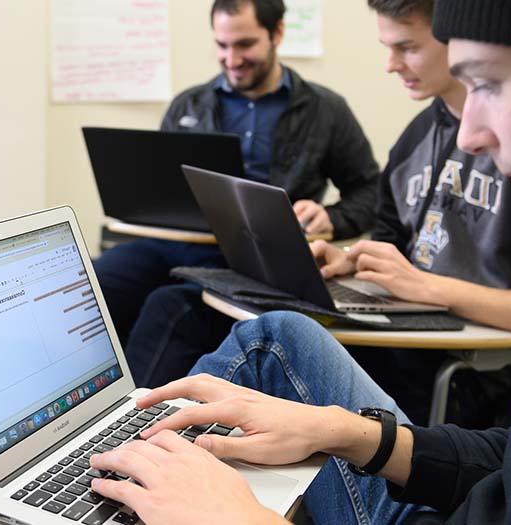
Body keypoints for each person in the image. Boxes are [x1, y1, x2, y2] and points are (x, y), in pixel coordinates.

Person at [87, 0, 511, 523]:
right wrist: (353, 433)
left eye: (487, 82)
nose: (469, 134)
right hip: (447, 487)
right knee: (272, 335)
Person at [123, 0, 511, 428]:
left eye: (406, 47)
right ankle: (128, 449)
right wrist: (353, 261)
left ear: (459, 39)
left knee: (262, 339)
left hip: (458, 372)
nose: (390, 64)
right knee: (180, 306)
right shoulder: (416, 139)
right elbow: (391, 240)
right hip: (397, 337)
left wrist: (430, 288)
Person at [93, 0, 381, 344]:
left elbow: (370, 192)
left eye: (244, 44)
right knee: (93, 287)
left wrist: (332, 217)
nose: (232, 59)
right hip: (172, 245)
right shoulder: (189, 104)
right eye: (222, 45)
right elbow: (158, 188)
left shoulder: (325, 110)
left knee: (168, 309)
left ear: (277, 33)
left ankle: (142, 400)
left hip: (252, 261)